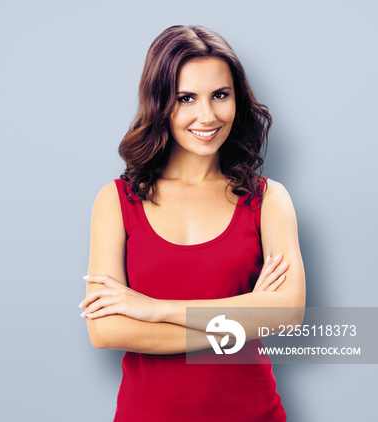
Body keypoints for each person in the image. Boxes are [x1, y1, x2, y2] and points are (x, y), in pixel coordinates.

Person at [79, 25, 305, 421]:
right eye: (186, 98)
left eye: (220, 95)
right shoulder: (116, 201)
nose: (207, 115)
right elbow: (106, 330)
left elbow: (287, 314)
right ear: (160, 103)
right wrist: (247, 316)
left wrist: (153, 309)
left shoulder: (268, 199)